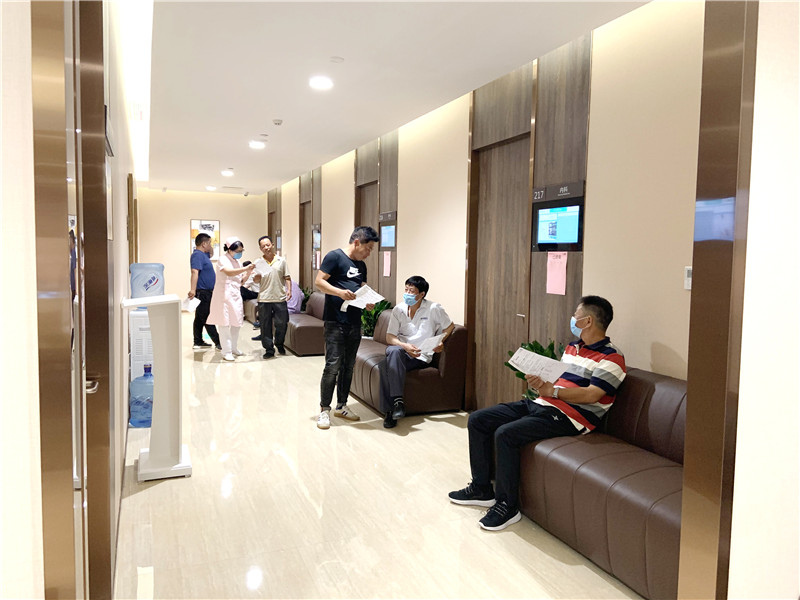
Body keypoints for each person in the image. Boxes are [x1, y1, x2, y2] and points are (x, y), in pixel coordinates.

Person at [449, 295, 626, 531]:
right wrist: (541, 384)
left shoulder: (612, 358)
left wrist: (553, 391)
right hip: (543, 403)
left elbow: (593, 394)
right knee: (479, 419)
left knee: (506, 434)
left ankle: (507, 506)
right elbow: (559, 383)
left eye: (576, 316)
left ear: (588, 321)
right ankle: (482, 489)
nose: (572, 319)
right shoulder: (573, 347)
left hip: (572, 417)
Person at [314, 225, 380, 430]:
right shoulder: (334, 257)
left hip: (354, 321)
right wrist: (339, 292)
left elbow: (361, 287)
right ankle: (324, 409)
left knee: (348, 366)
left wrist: (367, 300)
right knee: (332, 366)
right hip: (335, 321)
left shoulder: (361, 265)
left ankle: (341, 406)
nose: (369, 253)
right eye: (368, 248)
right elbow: (319, 282)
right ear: (357, 242)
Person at [380, 275, 455, 428]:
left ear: (422, 294)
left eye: (411, 291)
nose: (407, 293)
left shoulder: (434, 308)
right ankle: (398, 403)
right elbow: (390, 337)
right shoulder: (398, 309)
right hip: (401, 352)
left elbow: (450, 326)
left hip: (420, 355)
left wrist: (441, 341)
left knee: (384, 366)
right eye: (406, 290)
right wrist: (405, 346)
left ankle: (390, 411)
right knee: (395, 351)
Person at [207, 236, 255, 361]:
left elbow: (240, 281)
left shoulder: (237, 262)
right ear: (230, 249)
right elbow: (229, 272)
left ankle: (234, 348)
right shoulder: (222, 259)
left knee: (236, 323)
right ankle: (226, 351)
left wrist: (248, 273)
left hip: (235, 296)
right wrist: (245, 268)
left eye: (241, 251)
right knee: (224, 324)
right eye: (238, 251)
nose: (240, 253)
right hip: (223, 296)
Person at [253, 235, 292, 358]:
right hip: (264, 298)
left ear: (273, 245)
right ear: (260, 248)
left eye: (268, 245)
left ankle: (279, 343)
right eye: (263, 246)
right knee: (265, 325)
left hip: (279, 297)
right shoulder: (258, 262)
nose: (266, 248)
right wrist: (257, 277)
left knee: (282, 323)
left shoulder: (281, 261)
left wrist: (289, 290)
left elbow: (287, 277)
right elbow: (255, 280)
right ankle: (269, 349)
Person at [188, 232, 221, 350]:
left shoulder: (204, 255)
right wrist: (193, 289)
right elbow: (194, 272)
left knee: (199, 318)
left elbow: (211, 253)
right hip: (203, 292)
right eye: (209, 243)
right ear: (203, 244)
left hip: (207, 292)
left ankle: (198, 341)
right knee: (207, 317)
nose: (210, 245)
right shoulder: (197, 255)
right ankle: (218, 342)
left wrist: (210, 244)